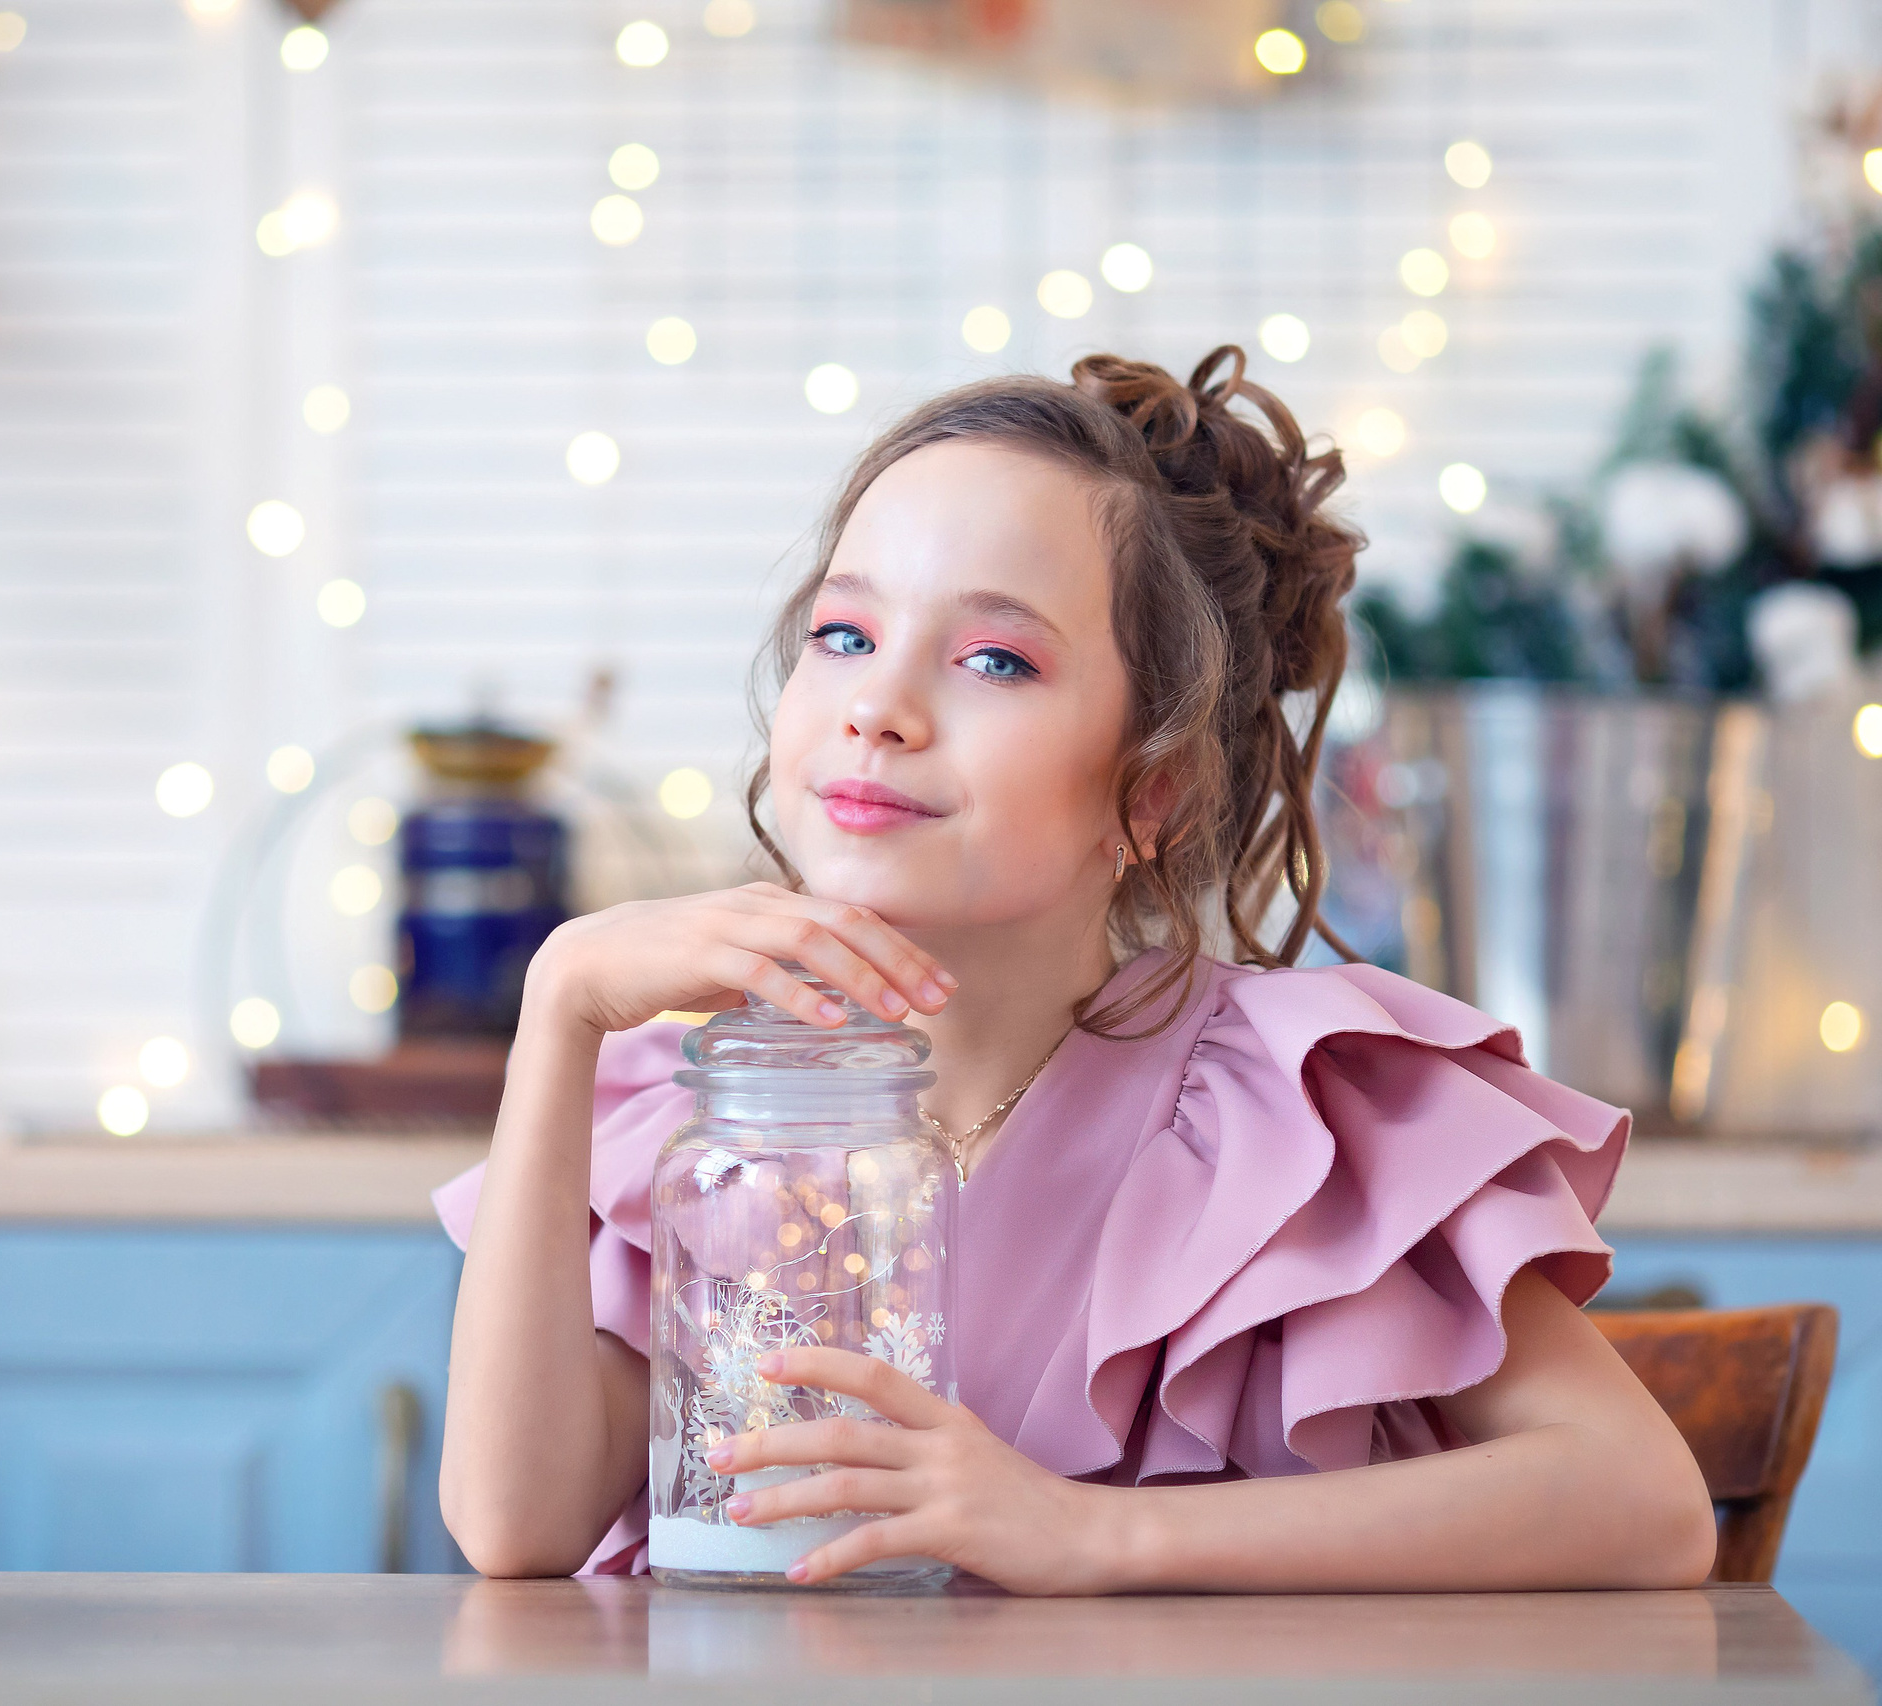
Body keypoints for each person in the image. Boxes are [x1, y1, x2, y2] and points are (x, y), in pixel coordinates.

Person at [432, 348, 1717, 1593]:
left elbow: (1640, 1501)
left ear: (1149, 789)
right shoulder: (697, 1115)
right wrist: (558, 1008)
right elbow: (517, 1522)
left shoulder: (1299, 1115)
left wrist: (1088, 1536)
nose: (879, 704)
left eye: (996, 658)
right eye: (841, 632)